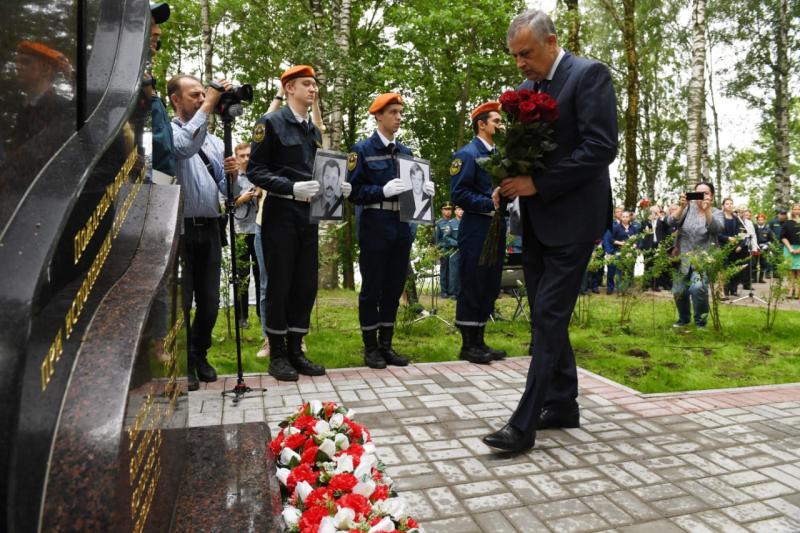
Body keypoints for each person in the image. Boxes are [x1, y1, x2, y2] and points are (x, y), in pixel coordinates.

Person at [484, 9, 618, 453]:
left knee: (546, 315)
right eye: (515, 56)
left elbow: (601, 147)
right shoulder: (526, 91)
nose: (520, 63)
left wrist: (538, 183)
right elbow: (525, 151)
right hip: (538, 218)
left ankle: (523, 424)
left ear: (552, 41)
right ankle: (562, 403)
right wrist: (507, 179)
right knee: (548, 313)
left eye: (527, 53)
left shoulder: (589, 75)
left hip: (576, 217)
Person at [247, 66, 349, 381]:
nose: (313, 89)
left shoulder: (312, 130)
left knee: (305, 283)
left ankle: (296, 350)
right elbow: (255, 170)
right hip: (281, 210)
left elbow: (317, 171)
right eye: (306, 84)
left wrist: (337, 186)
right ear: (289, 88)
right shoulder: (271, 124)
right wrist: (289, 187)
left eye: (315, 84)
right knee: (280, 282)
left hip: (309, 214)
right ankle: (277, 354)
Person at [347, 92, 434, 369]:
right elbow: (353, 192)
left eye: (400, 112)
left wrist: (425, 193)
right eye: (393, 112)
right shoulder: (362, 150)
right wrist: (381, 191)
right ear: (378, 116)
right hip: (375, 225)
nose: (398, 118)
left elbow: (413, 193)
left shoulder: (406, 153)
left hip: (401, 226)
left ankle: (387, 344)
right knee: (372, 287)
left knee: (394, 286)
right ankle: (370, 347)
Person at [168, 74, 237, 391]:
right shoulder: (166, 132)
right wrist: (210, 103)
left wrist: (235, 175)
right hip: (178, 229)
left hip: (210, 227)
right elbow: (182, 148)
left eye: (202, 95)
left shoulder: (213, 140)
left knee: (210, 303)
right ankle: (182, 362)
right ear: (175, 100)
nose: (200, 100)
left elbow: (226, 190)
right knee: (182, 302)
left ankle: (199, 354)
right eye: (194, 95)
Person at [450, 101, 507, 364]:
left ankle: (481, 339)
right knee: (472, 280)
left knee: (489, 282)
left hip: (496, 226)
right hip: (475, 226)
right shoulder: (467, 154)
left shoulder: (499, 156)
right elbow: (458, 193)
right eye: (496, 121)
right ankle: (468, 344)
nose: (500, 125)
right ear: (481, 124)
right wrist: (489, 204)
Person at [668, 182, 724, 328]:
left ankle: (700, 322)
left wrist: (707, 210)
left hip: (703, 259)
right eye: (698, 193)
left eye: (705, 193)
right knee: (679, 291)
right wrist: (681, 207)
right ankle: (684, 319)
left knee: (697, 288)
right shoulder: (687, 209)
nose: (701, 196)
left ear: (711, 195)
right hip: (682, 257)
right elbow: (670, 222)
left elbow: (716, 229)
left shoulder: (717, 212)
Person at [145, 2, 176, 180]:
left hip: (156, 194)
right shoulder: (116, 86)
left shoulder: (147, 84)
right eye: (150, 25)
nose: (158, 32)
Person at [232, 142, 260, 330]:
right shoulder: (232, 179)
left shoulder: (260, 175)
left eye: (249, 155)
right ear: (236, 158)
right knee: (242, 277)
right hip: (240, 232)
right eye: (242, 156)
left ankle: (261, 313)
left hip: (259, 230)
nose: (246, 159)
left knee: (261, 275)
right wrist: (242, 199)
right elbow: (223, 204)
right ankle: (242, 317)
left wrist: (260, 193)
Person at [719, 198, 747, 298]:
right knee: (723, 269)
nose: (730, 205)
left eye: (731, 203)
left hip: (734, 248)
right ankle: (723, 291)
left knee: (734, 268)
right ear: (723, 206)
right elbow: (716, 233)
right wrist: (727, 238)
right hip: (722, 246)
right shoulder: (719, 217)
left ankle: (733, 290)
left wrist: (740, 244)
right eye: (727, 204)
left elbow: (742, 232)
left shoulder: (736, 218)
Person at [610, 210, 639, 292]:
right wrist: (621, 243)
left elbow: (637, 239)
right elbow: (611, 239)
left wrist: (635, 245)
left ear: (629, 218)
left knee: (629, 270)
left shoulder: (633, 228)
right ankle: (620, 289)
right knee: (619, 270)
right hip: (619, 251)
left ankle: (627, 288)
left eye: (627, 217)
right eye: (623, 217)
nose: (625, 218)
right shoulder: (616, 228)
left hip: (630, 252)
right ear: (621, 217)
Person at [434, 205, 454, 297]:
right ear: (442, 211)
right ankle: (444, 291)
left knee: (453, 271)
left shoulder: (454, 222)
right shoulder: (439, 223)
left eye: (449, 209)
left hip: (453, 249)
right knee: (444, 270)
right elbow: (437, 239)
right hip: (444, 249)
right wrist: (437, 251)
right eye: (446, 209)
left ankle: (451, 290)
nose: (448, 211)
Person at [781, 203, 800, 298]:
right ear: (792, 210)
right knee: (791, 271)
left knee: (799, 272)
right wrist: (790, 248)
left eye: (798, 209)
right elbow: (783, 237)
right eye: (795, 209)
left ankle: (797, 292)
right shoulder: (787, 223)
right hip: (789, 249)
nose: (796, 211)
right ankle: (790, 291)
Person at [448, 206, 463, 299]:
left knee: (463, 272)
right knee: (454, 272)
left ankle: (461, 292)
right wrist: (456, 243)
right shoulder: (451, 223)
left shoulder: (467, 222)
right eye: (459, 209)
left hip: (465, 251)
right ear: (455, 211)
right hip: (455, 250)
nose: (461, 211)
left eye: (462, 209)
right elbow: (446, 237)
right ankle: (453, 293)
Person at [754, 213, 774, 282]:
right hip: (755, 247)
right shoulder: (754, 228)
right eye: (759, 220)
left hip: (764, 248)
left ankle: (760, 279)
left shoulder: (768, 229)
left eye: (762, 220)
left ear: (764, 220)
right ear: (757, 220)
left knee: (763, 263)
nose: (760, 221)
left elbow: (771, 239)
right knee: (754, 263)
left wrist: (767, 245)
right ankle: (754, 278)